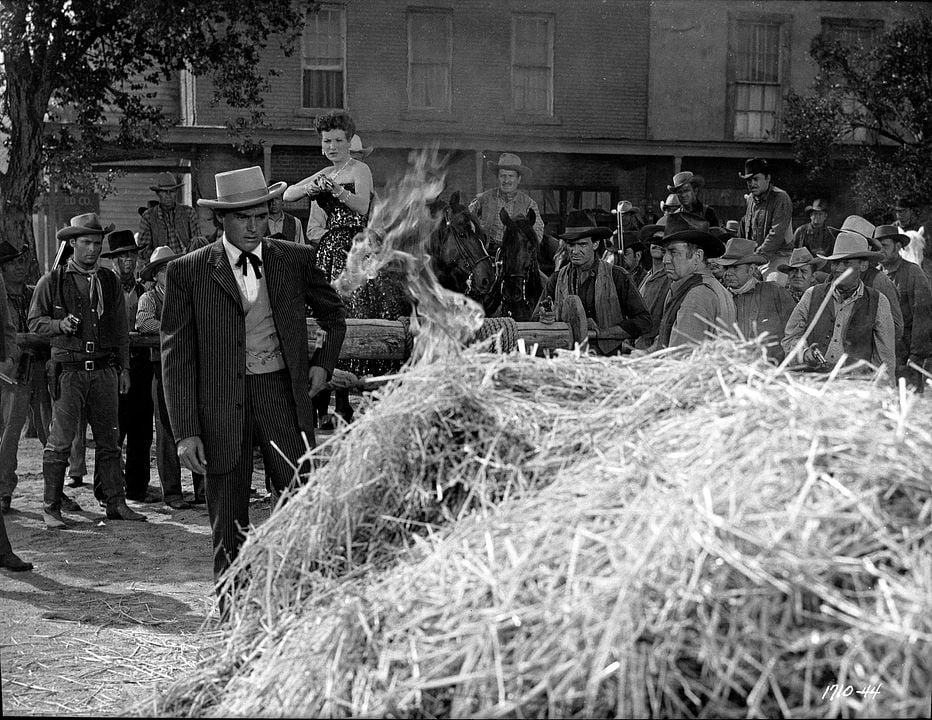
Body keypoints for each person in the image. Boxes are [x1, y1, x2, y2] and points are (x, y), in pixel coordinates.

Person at [161, 165, 347, 582]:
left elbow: (335, 316)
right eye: (243, 217)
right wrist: (186, 430)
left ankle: (301, 611)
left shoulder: (294, 259)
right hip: (221, 408)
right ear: (221, 219)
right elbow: (176, 356)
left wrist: (322, 363)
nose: (254, 226)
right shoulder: (188, 271)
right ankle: (234, 623)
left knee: (303, 508)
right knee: (228, 525)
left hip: (281, 396)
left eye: (261, 215)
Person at [284, 111, 405, 429]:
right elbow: (286, 195)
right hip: (328, 249)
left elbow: (362, 206)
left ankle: (366, 383)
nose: (333, 146)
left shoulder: (360, 169)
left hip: (355, 245)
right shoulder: (325, 171)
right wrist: (312, 186)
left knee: (365, 303)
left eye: (339, 140)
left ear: (349, 142)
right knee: (324, 308)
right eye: (327, 141)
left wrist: (336, 191)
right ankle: (326, 383)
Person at [27, 213, 146, 528]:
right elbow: (33, 322)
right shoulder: (51, 281)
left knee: (109, 439)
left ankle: (116, 503)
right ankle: (51, 507)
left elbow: (120, 329)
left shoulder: (108, 280)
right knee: (61, 440)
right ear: (72, 244)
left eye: (97, 243)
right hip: (68, 371)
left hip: (105, 370)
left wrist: (123, 368)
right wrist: (58, 324)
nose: (93, 249)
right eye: (86, 243)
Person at [782, 232, 896, 384]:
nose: (838, 269)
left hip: (855, 386)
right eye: (835, 263)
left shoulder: (878, 301)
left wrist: (884, 394)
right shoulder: (812, 295)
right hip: (816, 383)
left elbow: (885, 357)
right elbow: (790, 339)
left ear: (863, 265)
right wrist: (804, 354)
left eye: (846, 263)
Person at [136, 246, 202, 509]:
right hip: (162, 369)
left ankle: (203, 489)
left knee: (199, 424)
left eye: (173, 266)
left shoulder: (189, 294)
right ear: (156, 275)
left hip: (192, 367)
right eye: (164, 269)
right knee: (166, 428)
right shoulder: (149, 298)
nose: (170, 272)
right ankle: (173, 492)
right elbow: (143, 323)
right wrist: (174, 327)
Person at [94, 229, 156, 505]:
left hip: (142, 366)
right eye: (122, 257)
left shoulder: (145, 291)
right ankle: (105, 487)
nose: (128, 261)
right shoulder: (104, 288)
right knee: (112, 428)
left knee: (142, 427)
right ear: (113, 261)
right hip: (112, 365)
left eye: (131, 255)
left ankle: (137, 486)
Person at [535, 225, 651, 355]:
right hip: (566, 357)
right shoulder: (557, 279)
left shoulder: (617, 276)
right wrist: (546, 318)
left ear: (595, 244)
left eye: (582, 245)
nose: (575, 251)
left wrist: (602, 332)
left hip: (607, 360)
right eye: (571, 245)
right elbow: (535, 321)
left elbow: (643, 321)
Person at [0, 242, 52, 514]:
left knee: (51, 433)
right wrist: (22, 340)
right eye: (13, 263)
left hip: (41, 369)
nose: (20, 267)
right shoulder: (1, 299)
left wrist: (29, 339)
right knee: (8, 437)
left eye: (22, 261)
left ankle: (54, 492)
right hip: (11, 375)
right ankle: (3, 491)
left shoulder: (35, 294)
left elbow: (47, 328)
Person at [650, 212, 736, 349]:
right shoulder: (706, 286)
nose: (665, 260)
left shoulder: (697, 294)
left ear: (697, 256)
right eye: (665, 252)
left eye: (674, 253)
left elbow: (681, 356)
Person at [716, 236, 796, 362]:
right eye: (726, 268)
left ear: (751, 269)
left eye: (736, 268)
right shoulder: (721, 298)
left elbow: (794, 329)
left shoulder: (774, 292)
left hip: (772, 368)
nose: (728, 273)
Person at [874, 224, 932, 390]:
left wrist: (916, 356)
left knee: (908, 406)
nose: (880, 251)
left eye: (884, 246)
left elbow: (923, 317)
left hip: (905, 355)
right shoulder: (874, 275)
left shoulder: (913, 273)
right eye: (876, 247)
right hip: (879, 356)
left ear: (898, 247)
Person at [468, 153, 544, 254]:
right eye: (503, 176)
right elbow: (466, 221)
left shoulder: (529, 204)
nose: (506, 180)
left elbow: (537, 233)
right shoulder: (483, 199)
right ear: (497, 178)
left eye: (511, 176)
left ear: (519, 179)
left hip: (515, 257)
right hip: (486, 255)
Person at [737, 158, 794, 280]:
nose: (752, 184)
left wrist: (756, 258)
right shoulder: (751, 199)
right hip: (755, 257)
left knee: (773, 283)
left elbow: (776, 234)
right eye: (748, 180)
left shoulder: (781, 197)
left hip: (779, 256)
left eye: (756, 179)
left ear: (768, 178)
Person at [137, 172, 200, 261]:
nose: (168, 195)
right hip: (161, 266)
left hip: (187, 263)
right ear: (158, 193)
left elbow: (198, 243)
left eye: (172, 191)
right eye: (164, 191)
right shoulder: (148, 217)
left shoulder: (189, 213)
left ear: (176, 192)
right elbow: (143, 250)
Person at [634, 224, 672, 351]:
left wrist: (649, 351)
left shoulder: (670, 279)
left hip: (652, 348)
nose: (657, 245)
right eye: (654, 242)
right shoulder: (647, 276)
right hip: (637, 344)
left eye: (662, 243)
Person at [893, 195, 931, 280]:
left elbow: (928, 250)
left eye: (903, 211)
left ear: (910, 211)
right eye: (898, 212)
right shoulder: (892, 229)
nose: (900, 214)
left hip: (920, 264)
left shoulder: (920, 228)